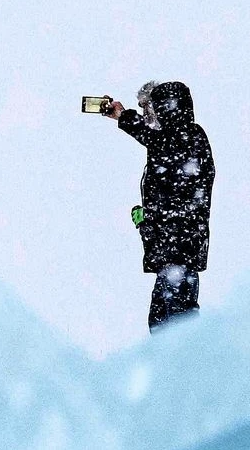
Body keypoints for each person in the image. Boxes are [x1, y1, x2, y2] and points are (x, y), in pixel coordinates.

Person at [86, 81, 215, 329]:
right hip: (172, 252)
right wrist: (147, 220)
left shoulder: (187, 138)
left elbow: (186, 204)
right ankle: (184, 363)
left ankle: (193, 365)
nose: (146, 116)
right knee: (163, 323)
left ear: (167, 110)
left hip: (180, 251)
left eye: (149, 109)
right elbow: (156, 141)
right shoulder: (175, 142)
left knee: (176, 325)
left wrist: (150, 214)